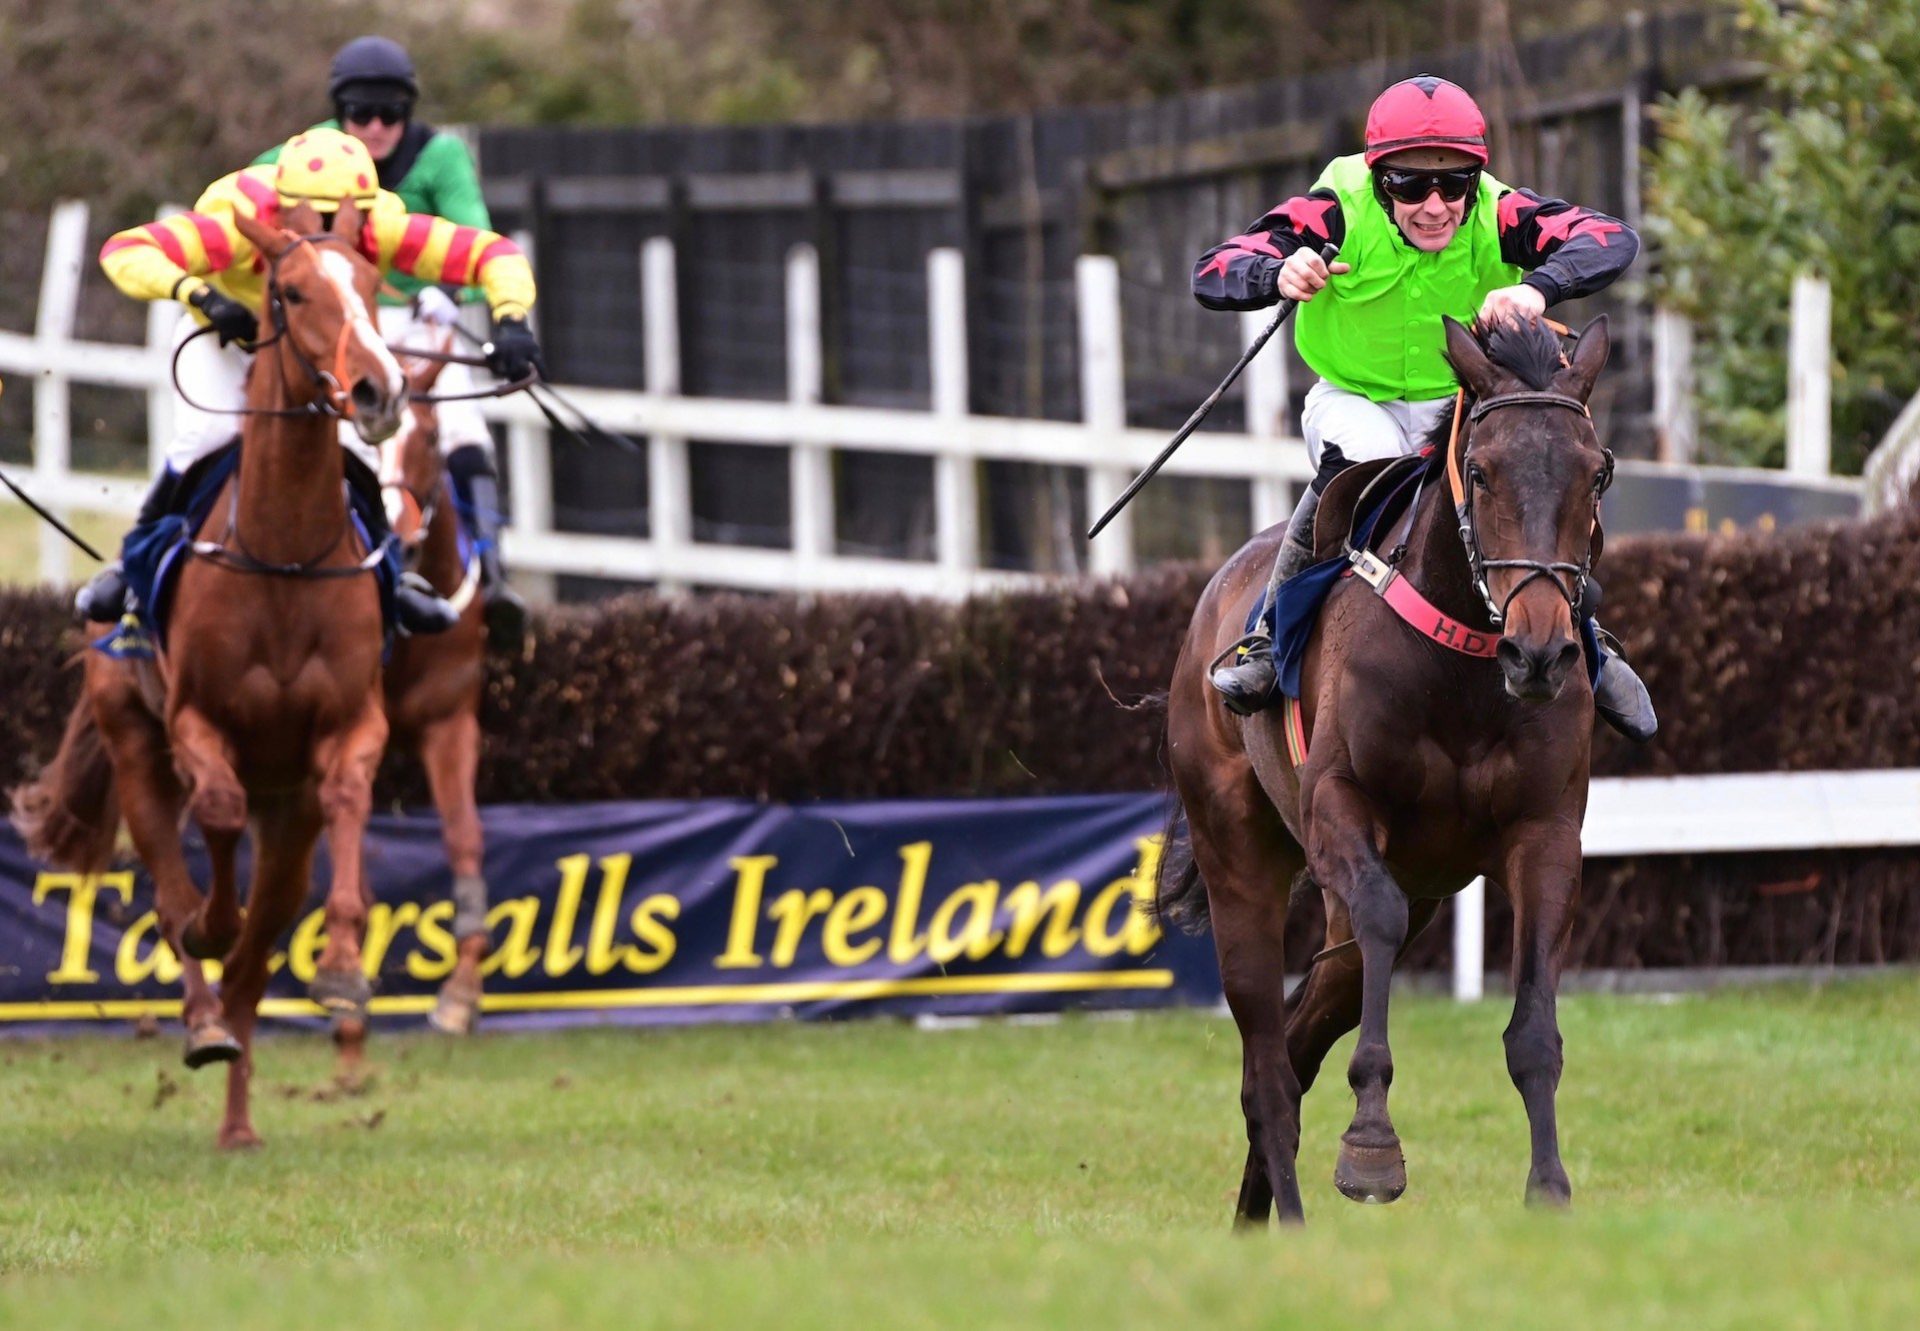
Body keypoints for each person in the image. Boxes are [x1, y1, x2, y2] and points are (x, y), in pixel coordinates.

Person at [1192, 73, 1656, 741]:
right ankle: (1268, 635)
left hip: (1461, 399)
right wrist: (1277, 272)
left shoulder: (1499, 213)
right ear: (1380, 180)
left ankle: (1589, 641)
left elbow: (1612, 238)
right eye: (1411, 186)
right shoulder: (1337, 210)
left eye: (1455, 185)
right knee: (1368, 464)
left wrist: (1540, 288)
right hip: (1356, 396)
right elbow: (1215, 267)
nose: (1435, 205)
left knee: (1536, 476)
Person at [77, 126, 544, 636]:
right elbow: (126, 249)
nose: (336, 228)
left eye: (351, 214)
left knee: (364, 452)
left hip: (318, 342)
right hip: (230, 335)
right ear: (285, 207)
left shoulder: (381, 225)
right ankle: (132, 566)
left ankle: (391, 578)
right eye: (321, 216)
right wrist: (202, 298)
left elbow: (493, 255)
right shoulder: (239, 221)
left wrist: (513, 321)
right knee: (207, 437)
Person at [253, 35, 528, 648]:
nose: (375, 128)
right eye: (360, 114)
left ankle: (495, 577)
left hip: (424, 319)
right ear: (339, 112)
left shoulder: (442, 156)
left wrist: (454, 297)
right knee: (347, 436)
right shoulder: (306, 154)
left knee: (464, 434)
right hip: (341, 321)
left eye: (391, 114)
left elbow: (471, 231)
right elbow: (248, 202)